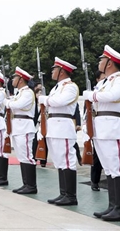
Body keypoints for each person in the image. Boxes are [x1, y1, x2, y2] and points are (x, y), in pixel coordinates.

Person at [83, 45, 120, 222]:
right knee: (110, 169)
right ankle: (113, 206)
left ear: (110, 63)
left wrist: (91, 96)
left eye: (102, 60)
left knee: (119, 169)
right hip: (100, 128)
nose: (100, 63)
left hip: (113, 128)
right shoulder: (103, 83)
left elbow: (113, 96)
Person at [38, 57, 79, 207]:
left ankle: (71, 196)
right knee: (59, 161)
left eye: (54, 69)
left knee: (67, 161)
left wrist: (44, 99)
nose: (52, 72)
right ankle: (63, 193)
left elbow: (60, 102)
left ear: (62, 71)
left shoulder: (70, 86)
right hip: (54, 126)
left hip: (63, 126)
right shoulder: (56, 88)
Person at [6, 67, 37, 194]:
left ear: (20, 80)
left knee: (27, 156)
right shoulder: (19, 93)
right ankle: (26, 184)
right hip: (17, 126)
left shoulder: (28, 93)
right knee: (21, 156)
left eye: (15, 77)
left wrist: (7, 103)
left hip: (24, 126)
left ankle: (31, 185)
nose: (13, 79)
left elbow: (16, 105)